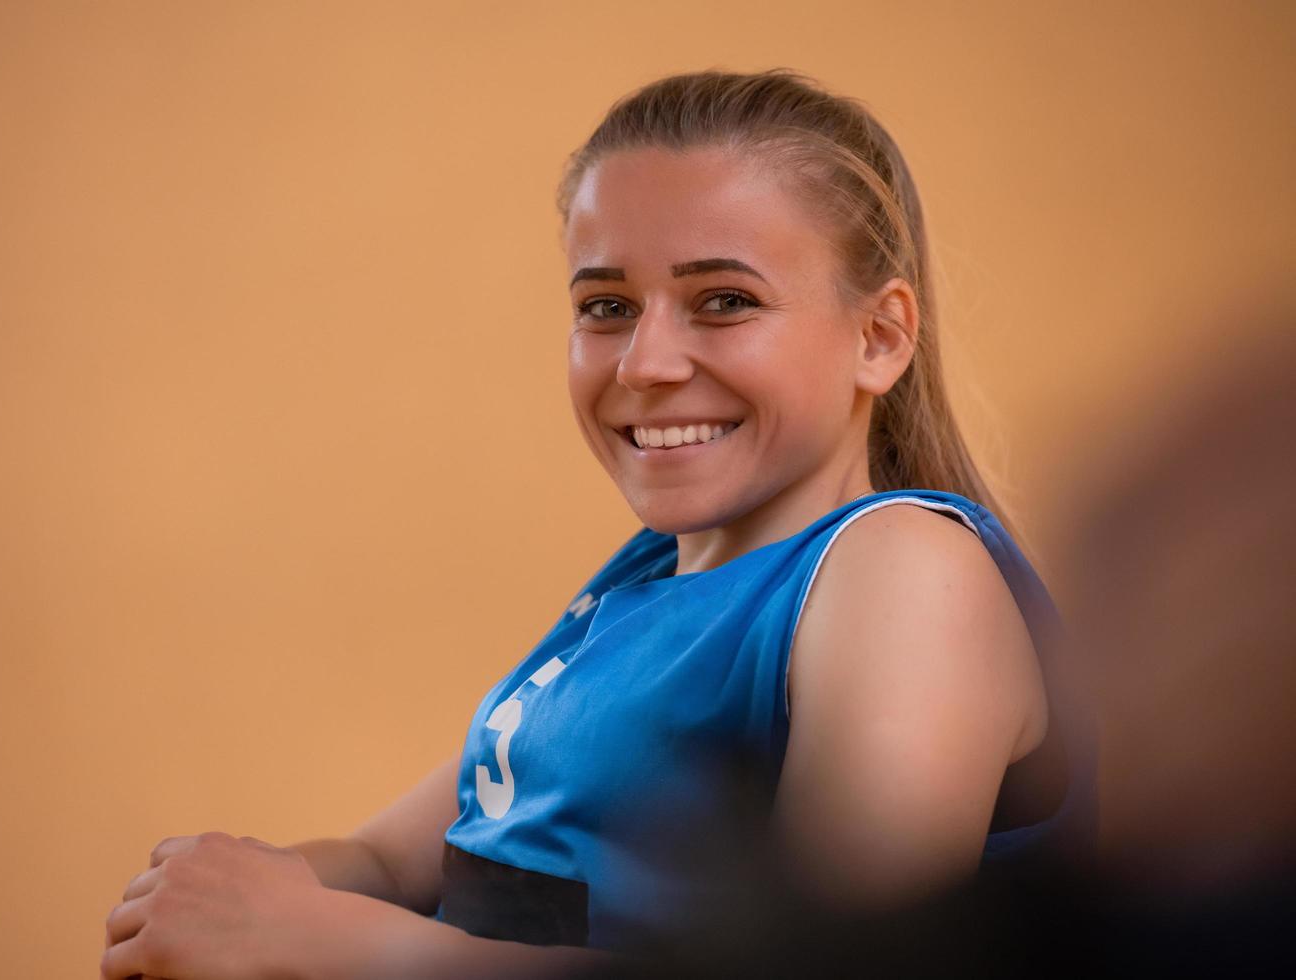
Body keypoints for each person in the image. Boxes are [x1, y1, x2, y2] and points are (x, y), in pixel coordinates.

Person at [100, 69, 1096, 980]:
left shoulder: (905, 572)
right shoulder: (640, 589)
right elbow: (389, 861)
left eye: (723, 300)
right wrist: (221, 891)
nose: (646, 363)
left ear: (879, 337)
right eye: (607, 305)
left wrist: (327, 939)